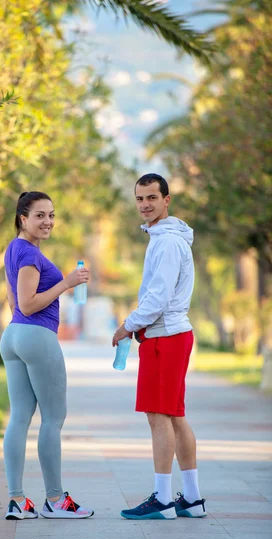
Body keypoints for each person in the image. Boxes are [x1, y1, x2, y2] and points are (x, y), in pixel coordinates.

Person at [112, 173, 206, 520]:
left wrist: (128, 325)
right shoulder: (166, 237)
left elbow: (158, 296)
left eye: (152, 197)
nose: (145, 204)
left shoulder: (166, 241)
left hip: (165, 337)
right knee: (175, 415)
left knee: (158, 416)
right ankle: (192, 499)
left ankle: (163, 500)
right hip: (172, 334)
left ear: (167, 200)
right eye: (139, 199)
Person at [0, 190, 94, 520]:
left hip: (13, 336)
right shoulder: (29, 254)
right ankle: (55, 500)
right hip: (36, 336)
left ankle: (17, 500)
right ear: (22, 219)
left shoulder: (13, 249)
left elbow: (14, 303)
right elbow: (27, 304)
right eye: (40, 215)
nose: (48, 221)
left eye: (51, 215)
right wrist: (66, 283)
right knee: (53, 419)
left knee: (20, 417)